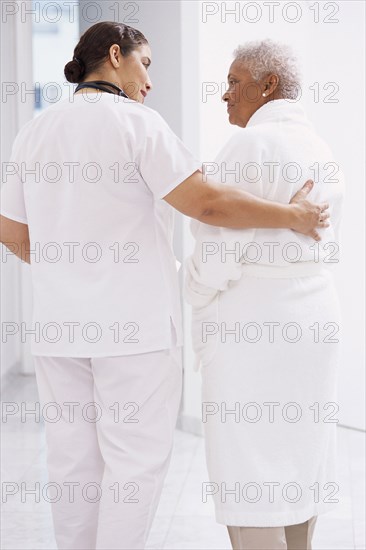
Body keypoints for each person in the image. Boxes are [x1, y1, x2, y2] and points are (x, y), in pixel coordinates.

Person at [0, 23, 329, 550]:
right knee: (133, 466)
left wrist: (70, 270)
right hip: (136, 330)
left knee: (71, 464)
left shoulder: (33, 132)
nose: (149, 80)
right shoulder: (138, 125)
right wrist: (291, 214)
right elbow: (208, 204)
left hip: (59, 329)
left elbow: (13, 232)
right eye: (146, 64)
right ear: (114, 56)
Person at [185, 39, 344, 550]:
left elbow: (217, 247)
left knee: (249, 461)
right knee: (301, 454)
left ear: (267, 85)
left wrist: (190, 287)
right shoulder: (319, 146)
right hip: (314, 314)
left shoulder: (249, 145)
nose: (224, 96)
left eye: (234, 83)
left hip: (255, 325)